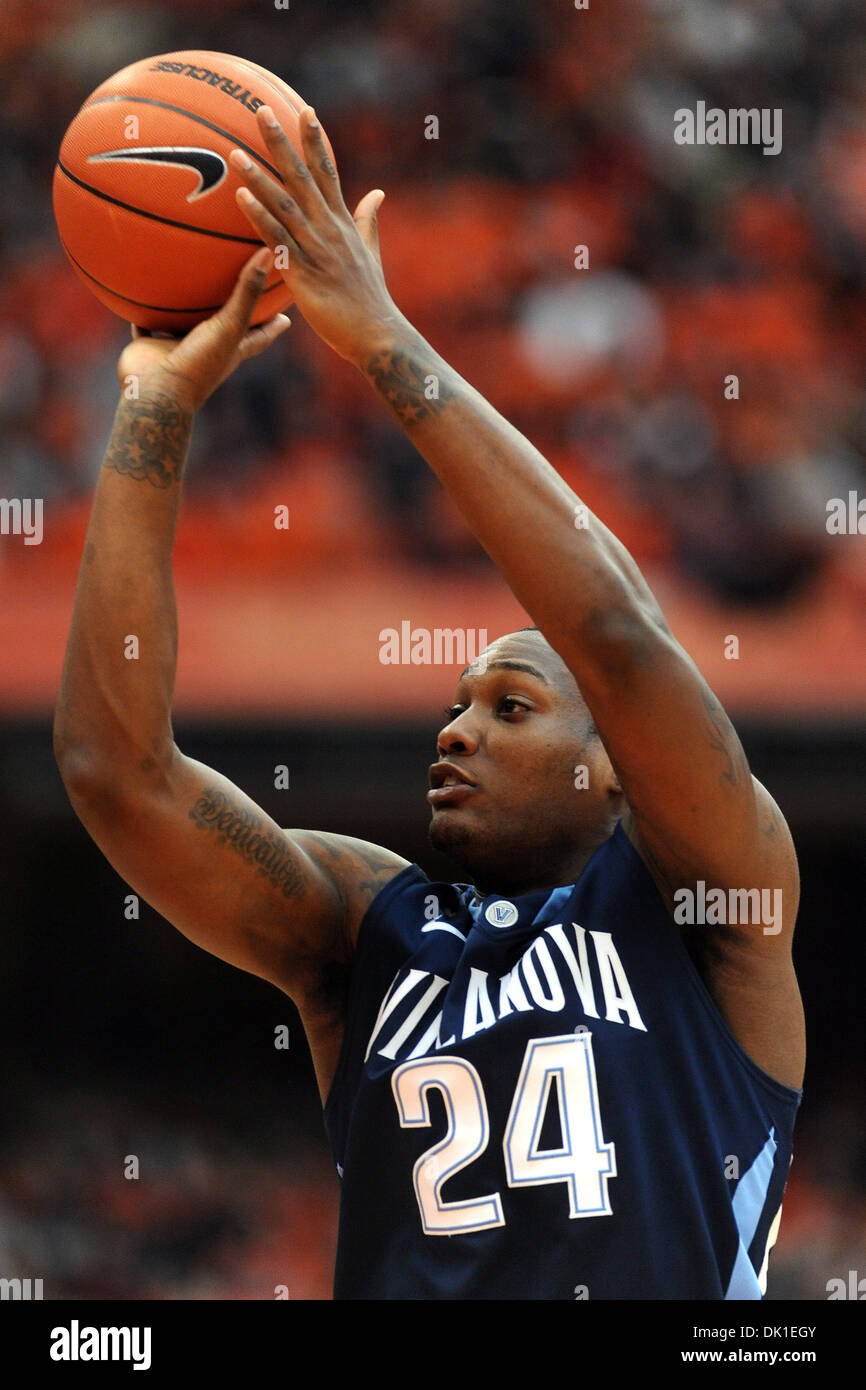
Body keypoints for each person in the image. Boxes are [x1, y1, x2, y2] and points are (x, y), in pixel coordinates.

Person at [54, 103, 805, 1301]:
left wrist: (382, 342)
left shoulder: (710, 906)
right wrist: (154, 411)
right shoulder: (370, 933)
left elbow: (614, 634)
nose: (452, 731)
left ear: (612, 760)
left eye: (509, 707)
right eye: (457, 707)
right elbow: (116, 774)